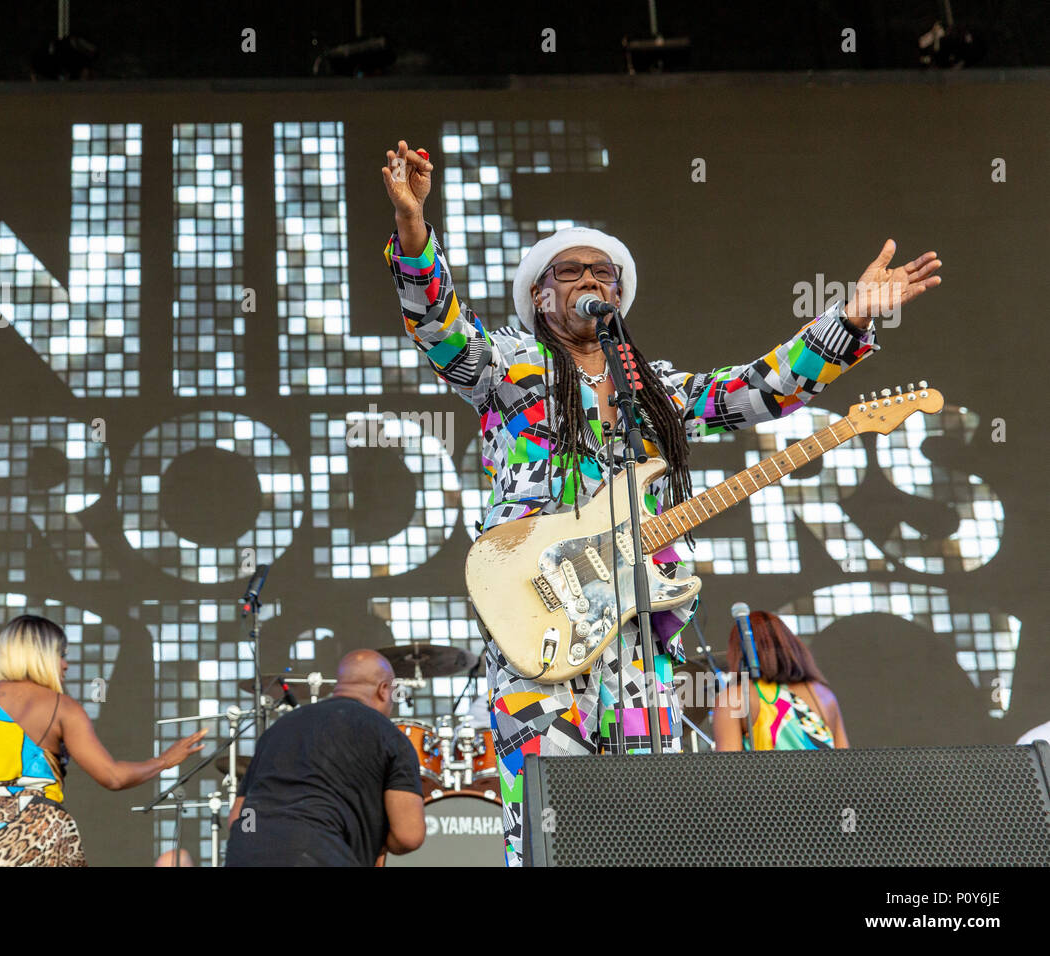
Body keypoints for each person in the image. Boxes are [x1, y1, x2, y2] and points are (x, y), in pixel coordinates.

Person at [380, 138, 941, 865]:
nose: (592, 280)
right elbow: (437, 325)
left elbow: (762, 388)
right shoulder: (507, 366)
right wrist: (414, 229)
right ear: (540, 296)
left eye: (604, 273)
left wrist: (851, 318)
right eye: (572, 271)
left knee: (644, 825)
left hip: (639, 631)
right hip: (537, 621)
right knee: (551, 819)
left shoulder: (659, 392)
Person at [0, 614, 208, 866]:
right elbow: (112, 776)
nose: (66, 664)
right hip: (36, 832)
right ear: (40, 656)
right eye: (61, 655)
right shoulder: (62, 707)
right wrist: (163, 761)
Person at [224, 649, 425, 866]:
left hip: (245, 852)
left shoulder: (280, 728)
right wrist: (371, 837)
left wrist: (253, 837)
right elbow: (409, 835)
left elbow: (238, 816)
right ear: (384, 690)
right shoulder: (389, 736)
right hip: (317, 853)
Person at [711, 610, 850, 750]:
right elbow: (845, 763)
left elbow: (729, 768)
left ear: (738, 652)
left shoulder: (735, 699)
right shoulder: (823, 694)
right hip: (823, 772)